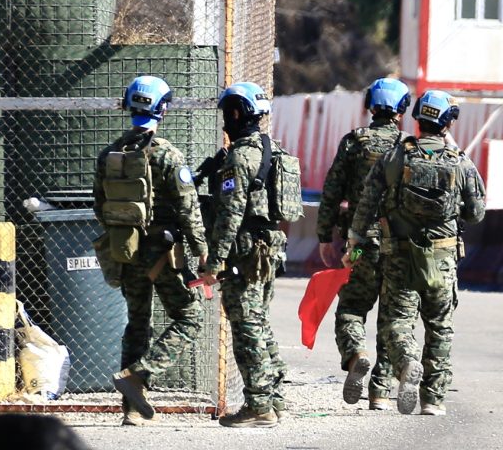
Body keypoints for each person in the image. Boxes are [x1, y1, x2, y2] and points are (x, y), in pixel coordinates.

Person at [347, 90, 486, 416]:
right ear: (448, 122)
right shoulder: (461, 162)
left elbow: (368, 201)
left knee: (397, 325)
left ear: (418, 119)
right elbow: (476, 213)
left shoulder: (396, 157)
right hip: (442, 260)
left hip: (400, 257)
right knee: (439, 328)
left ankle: (407, 361)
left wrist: (355, 239)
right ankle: (433, 400)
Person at [93, 75, 208, 426]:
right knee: (190, 316)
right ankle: (139, 375)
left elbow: (100, 206)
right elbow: (189, 209)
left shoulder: (109, 155)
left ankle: (131, 410)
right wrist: (203, 251)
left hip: (124, 251)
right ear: (163, 108)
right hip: (163, 254)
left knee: (137, 323)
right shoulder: (168, 155)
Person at [198, 82, 299, 428]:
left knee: (246, 329)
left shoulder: (240, 157)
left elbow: (230, 216)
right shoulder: (274, 151)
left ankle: (259, 406)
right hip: (269, 250)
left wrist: (215, 263)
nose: (226, 120)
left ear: (238, 113)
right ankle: (274, 397)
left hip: (244, 255)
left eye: (228, 113)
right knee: (260, 323)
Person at [316, 77, 411, 410]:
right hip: (398, 245)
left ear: (370, 105)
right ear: (402, 109)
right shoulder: (407, 147)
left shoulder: (353, 143)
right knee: (391, 315)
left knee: (352, 307)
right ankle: (381, 392)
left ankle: (356, 352)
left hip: (359, 244)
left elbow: (331, 192)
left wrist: (325, 236)